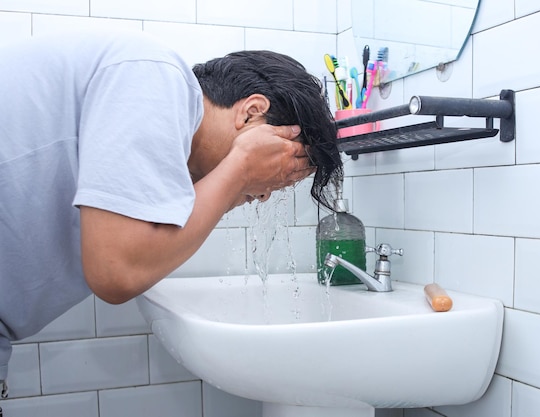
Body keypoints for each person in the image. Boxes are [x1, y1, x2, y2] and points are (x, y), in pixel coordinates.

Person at [0, 30, 343, 389]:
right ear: (251, 112)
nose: (264, 194)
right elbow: (116, 272)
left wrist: (235, 178)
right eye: (275, 168)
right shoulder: (154, 76)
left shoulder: (153, 154)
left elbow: (138, 255)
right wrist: (241, 169)